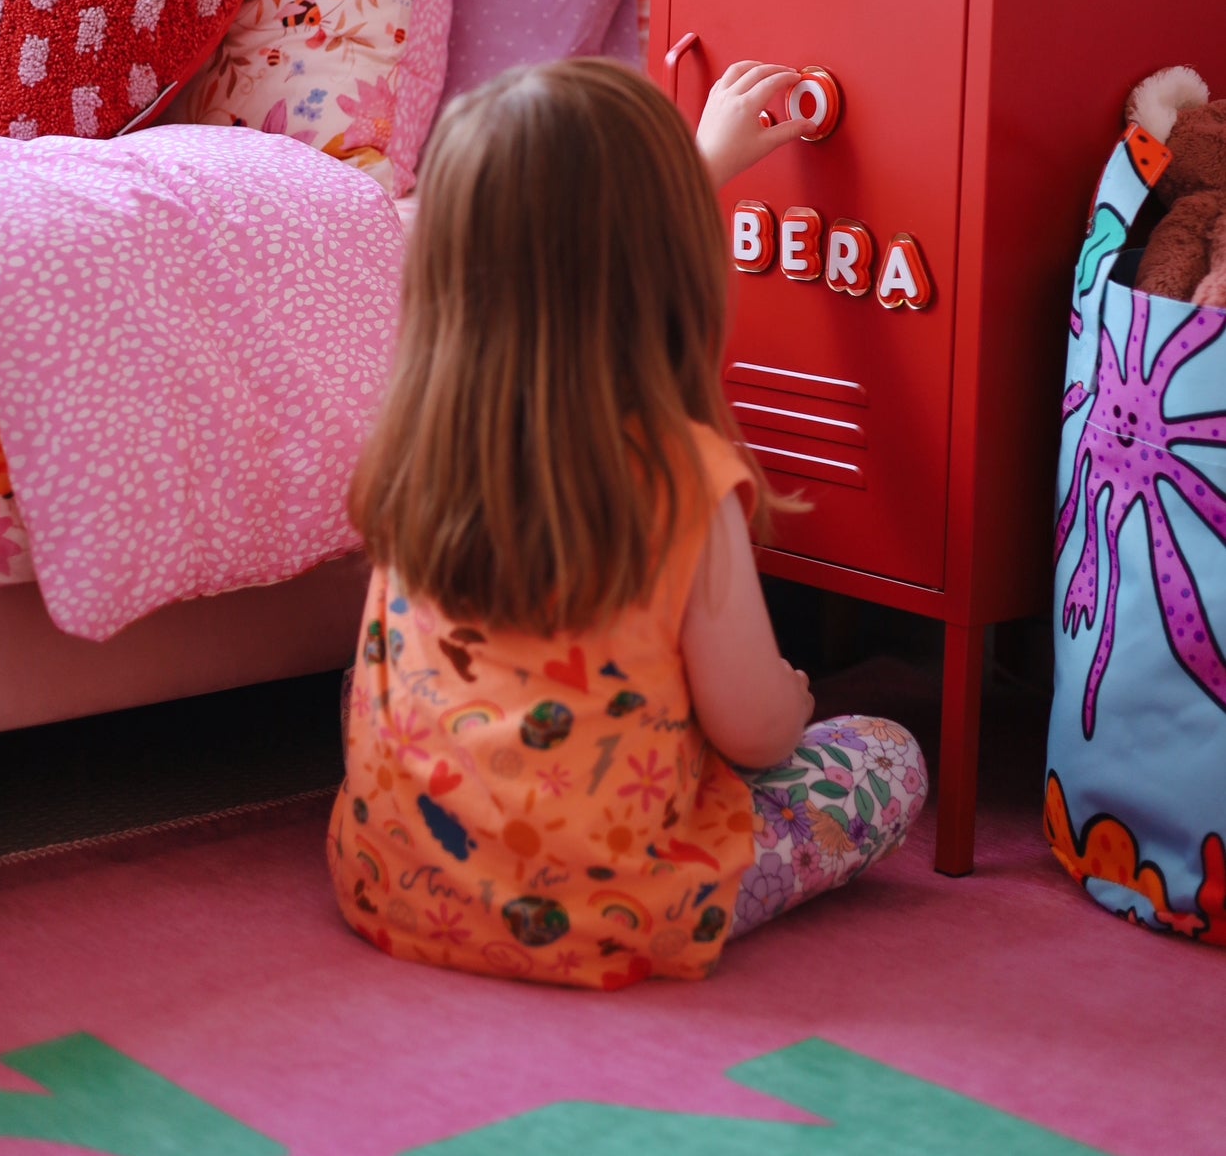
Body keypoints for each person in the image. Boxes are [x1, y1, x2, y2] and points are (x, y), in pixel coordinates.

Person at [328, 59, 928, 987]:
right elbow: (757, 732)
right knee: (888, 755)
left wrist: (701, 162)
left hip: (398, 880)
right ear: (678, 265)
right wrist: (795, 698)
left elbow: (555, 243)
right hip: (601, 906)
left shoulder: (416, 442)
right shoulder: (682, 474)